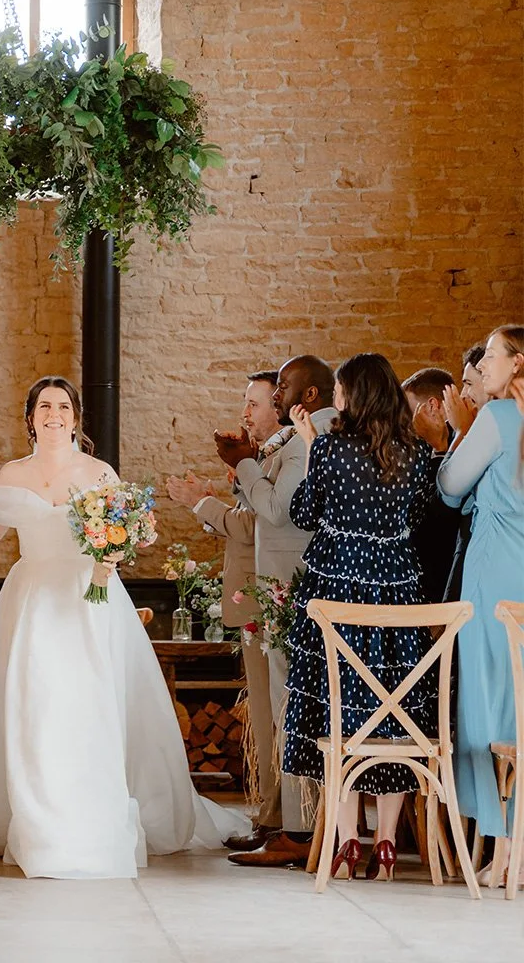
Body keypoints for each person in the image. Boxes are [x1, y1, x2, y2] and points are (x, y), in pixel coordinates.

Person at [0, 377, 244, 879]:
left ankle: (88, 817)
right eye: (44, 406)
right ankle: (34, 818)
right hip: (32, 601)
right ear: (30, 417)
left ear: (76, 417)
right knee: (36, 706)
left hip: (90, 600)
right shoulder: (12, 473)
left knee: (89, 706)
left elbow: (128, 532)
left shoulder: (98, 471)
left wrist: (122, 545)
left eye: (63, 406)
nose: (53, 414)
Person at [284, 353, 440, 883]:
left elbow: (304, 513)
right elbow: (418, 517)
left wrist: (311, 451)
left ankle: (348, 840)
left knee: (335, 708)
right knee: (392, 713)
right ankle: (389, 844)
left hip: (334, 587)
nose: (334, 401)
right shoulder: (418, 454)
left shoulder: (328, 447)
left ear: (354, 395)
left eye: (340, 392)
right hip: (397, 591)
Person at [214, 354, 337, 867]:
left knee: (292, 707)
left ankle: (298, 827)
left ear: (308, 395)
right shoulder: (292, 441)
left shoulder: (309, 443)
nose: (279, 395)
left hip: (292, 585)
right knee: (281, 706)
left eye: (282, 388)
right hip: (277, 585)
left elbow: (276, 510)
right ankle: (283, 821)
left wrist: (242, 462)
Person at [166, 370, 281, 849]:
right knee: (262, 710)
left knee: (272, 713)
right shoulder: (263, 459)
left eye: (253, 404)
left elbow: (255, 527)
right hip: (252, 598)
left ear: (281, 406)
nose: (244, 414)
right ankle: (270, 817)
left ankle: (277, 821)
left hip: (266, 600)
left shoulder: (282, 459)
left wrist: (201, 503)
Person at [436, 325, 524, 885]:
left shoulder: (494, 419)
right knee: (521, 709)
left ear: (518, 363)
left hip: (494, 575)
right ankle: (516, 848)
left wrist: (464, 440)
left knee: (488, 706)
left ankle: (501, 848)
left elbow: (448, 483)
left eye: (491, 354)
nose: (483, 363)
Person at [402, 366, 460, 602]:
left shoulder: (457, 442)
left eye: (407, 410)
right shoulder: (419, 445)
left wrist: (439, 449)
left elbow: (440, 516)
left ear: (433, 406)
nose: (403, 420)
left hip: (440, 576)